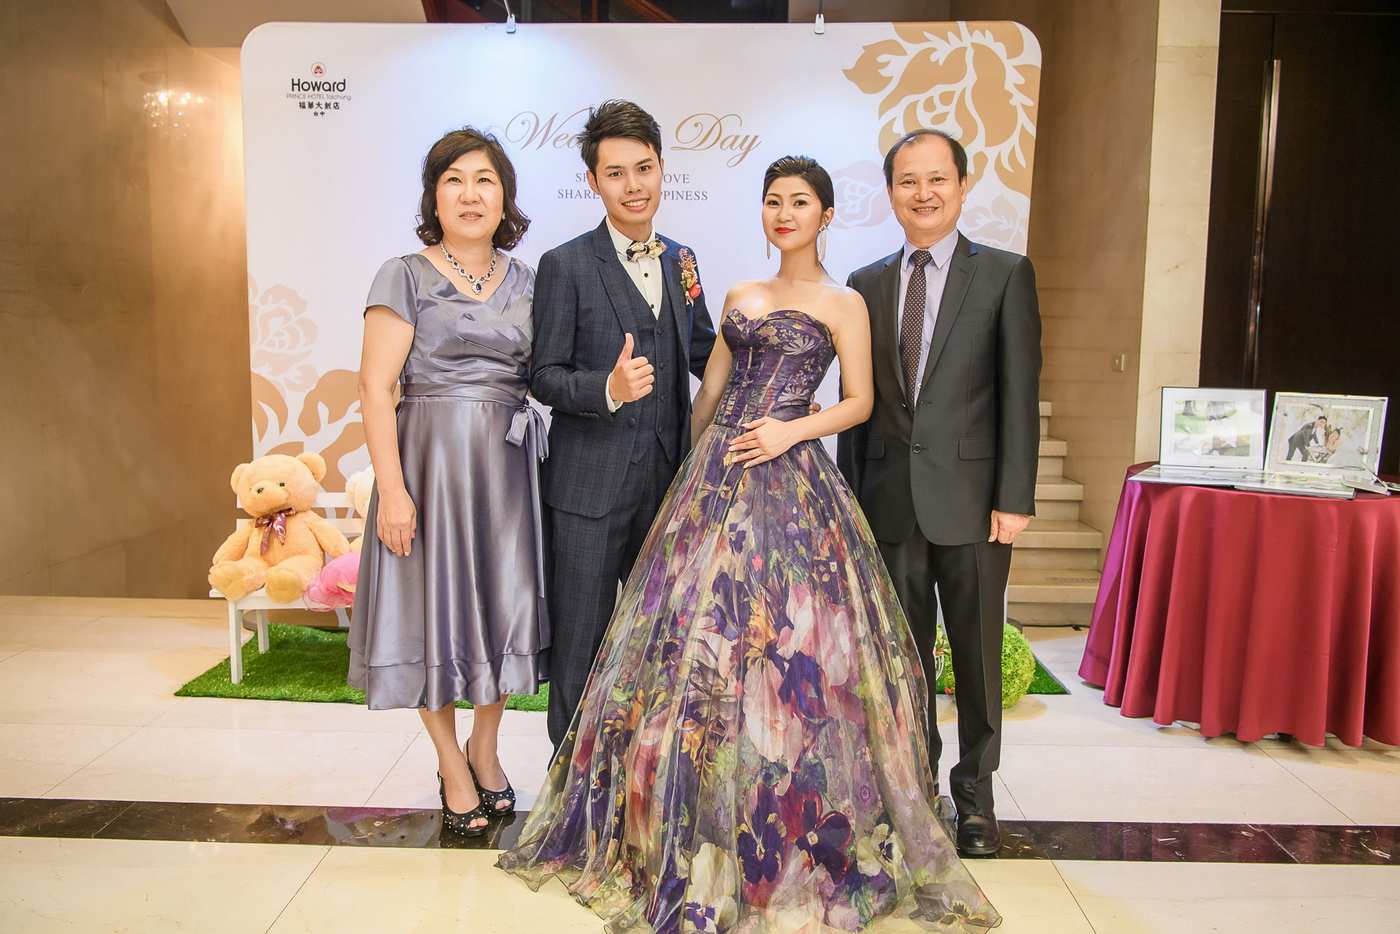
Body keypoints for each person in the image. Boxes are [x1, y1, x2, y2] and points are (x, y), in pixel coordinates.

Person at [499, 156, 1000, 932]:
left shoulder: (844, 302)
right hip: (717, 473)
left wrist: (790, 431)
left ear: (826, 214)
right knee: (695, 644)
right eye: (773, 201)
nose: (784, 213)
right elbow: (710, 391)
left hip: (792, 474)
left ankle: (781, 810)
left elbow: (860, 401)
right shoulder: (738, 293)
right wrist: (685, 471)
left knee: (784, 644)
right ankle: (685, 809)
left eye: (799, 201)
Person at [837, 129, 1042, 857]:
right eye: (907, 182)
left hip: (976, 504)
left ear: (961, 185)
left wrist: (1014, 496)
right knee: (904, 660)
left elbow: (1020, 393)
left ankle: (976, 798)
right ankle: (914, 789)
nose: (923, 194)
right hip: (889, 502)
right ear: (890, 192)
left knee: (977, 658)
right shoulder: (865, 283)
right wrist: (851, 503)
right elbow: (860, 405)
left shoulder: (1005, 275)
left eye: (936, 180)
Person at [348, 127, 549, 838]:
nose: (470, 194)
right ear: (434, 197)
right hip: (426, 470)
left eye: (485, 180)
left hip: (507, 473)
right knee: (427, 612)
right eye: (454, 180)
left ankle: (484, 748)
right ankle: (450, 763)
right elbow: (376, 388)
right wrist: (393, 491)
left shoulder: (531, 281)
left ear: (505, 198)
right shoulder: (402, 275)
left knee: (503, 610)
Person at [529, 100, 716, 749]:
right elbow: (543, 374)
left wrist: (773, 378)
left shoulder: (682, 259)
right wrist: (605, 390)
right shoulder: (566, 264)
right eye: (615, 173)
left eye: (644, 168)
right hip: (587, 489)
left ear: (662, 169)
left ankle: (643, 774)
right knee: (580, 643)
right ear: (593, 181)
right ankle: (568, 783)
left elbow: (704, 353)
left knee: (659, 640)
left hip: (666, 486)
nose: (633, 185)